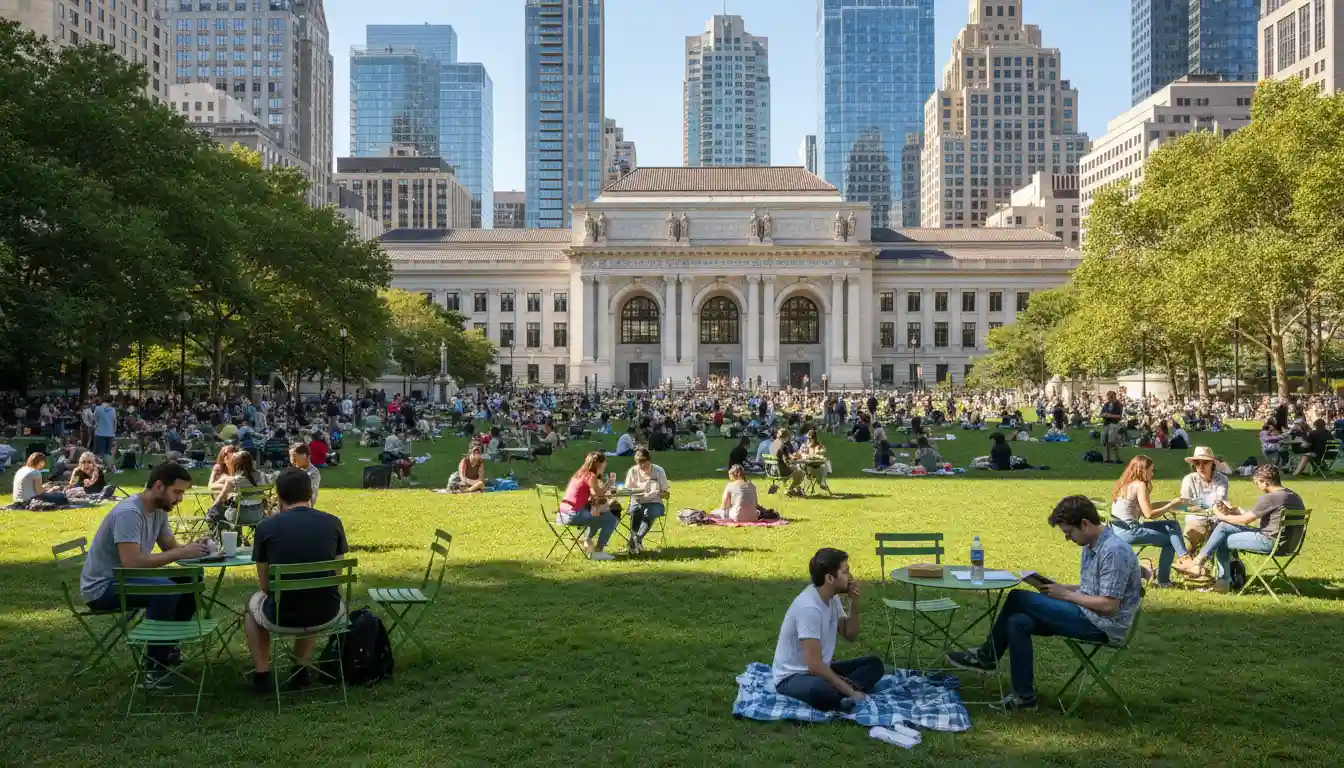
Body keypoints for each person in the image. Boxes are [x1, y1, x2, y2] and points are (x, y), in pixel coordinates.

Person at [947, 496, 1142, 711]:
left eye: (1069, 532)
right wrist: (1059, 588)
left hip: (1102, 625)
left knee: (1018, 598)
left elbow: (1109, 606)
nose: (1068, 538)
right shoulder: (1092, 545)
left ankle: (987, 656)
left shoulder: (1113, 551)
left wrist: (1064, 596)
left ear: (1085, 524)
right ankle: (1024, 699)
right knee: (1017, 621)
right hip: (1086, 613)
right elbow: (1092, 589)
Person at [80, 462, 208, 689]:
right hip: (103, 587)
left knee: (192, 579)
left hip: (125, 579)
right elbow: (132, 563)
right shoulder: (129, 513)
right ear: (159, 486)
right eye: (177, 492)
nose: (179, 499)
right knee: (165, 590)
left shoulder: (158, 510)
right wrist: (181, 552)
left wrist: (199, 550)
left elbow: (171, 547)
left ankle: (169, 648)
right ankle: (154, 668)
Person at [243, 467, 348, 693]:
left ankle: (262, 674)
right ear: (310, 493)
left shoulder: (266, 527)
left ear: (279, 497)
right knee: (313, 590)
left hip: (282, 614)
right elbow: (336, 576)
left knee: (251, 607)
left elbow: (265, 586)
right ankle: (301, 670)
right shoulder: (333, 522)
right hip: (328, 611)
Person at [770, 548, 883, 711]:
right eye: (845, 572)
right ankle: (845, 692)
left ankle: (840, 690)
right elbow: (814, 665)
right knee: (822, 691)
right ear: (830, 578)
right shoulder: (809, 608)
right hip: (793, 678)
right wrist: (851, 691)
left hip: (821, 669)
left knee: (874, 665)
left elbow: (849, 635)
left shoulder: (832, 597)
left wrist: (854, 603)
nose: (850, 577)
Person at [1175, 464, 1305, 592]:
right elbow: (1264, 519)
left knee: (1221, 538)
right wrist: (1238, 511)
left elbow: (1245, 521)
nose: (1258, 487)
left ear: (1264, 482)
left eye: (1257, 483)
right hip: (1289, 544)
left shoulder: (1270, 498)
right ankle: (1199, 563)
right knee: (1223, 528)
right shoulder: (1293, 496)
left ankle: (1219, 580)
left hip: (1270, 542)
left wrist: (1220, 515)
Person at [1110, 456, 1190, 586]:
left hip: (1119, 529)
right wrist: (1169, 506)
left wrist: (1170, 503)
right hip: (1131, 531)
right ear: (1143, 470)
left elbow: (1144, 508)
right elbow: (1149, 514)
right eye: (1151, 470)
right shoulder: (1140, 485)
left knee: (1172, 525)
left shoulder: (1125, 485)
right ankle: (1167, 577)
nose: (1152, 474)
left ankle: (1184, 558)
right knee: (1171, 540)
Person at [557, 451, 620, 560]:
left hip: (562, 514)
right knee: (610, 519)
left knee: (597, 515)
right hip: (574, 515)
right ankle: (598, 551)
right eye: (604, 464)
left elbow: (592, 494)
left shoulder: (579, 474)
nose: (605, 467)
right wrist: (610, 483)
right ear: (600, 464)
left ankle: (588, 541)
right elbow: (600, 493)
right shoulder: (591, 476)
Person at [624, 448, 670, 554]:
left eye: (643, 461)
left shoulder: (658, 471)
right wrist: (636, 492)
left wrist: (657, 492)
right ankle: (635, 542)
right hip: (637, 501)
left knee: (648, 512)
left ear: (649, 460)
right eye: (638, 462)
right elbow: (627, 490)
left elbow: (666, 494)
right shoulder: (633, 471)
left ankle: (636, 539)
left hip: (655, 502)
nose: (641, 464)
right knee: (637, 510)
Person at [770, 428, 806, 497]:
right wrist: (799, 458)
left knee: (797, 468)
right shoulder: (783, 445)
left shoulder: (774, 444)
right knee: (801, 472)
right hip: (782, 470)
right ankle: (790, 489)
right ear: (786, 437)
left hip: (773, 469)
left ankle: (798, 490)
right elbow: (789, 459)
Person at [1099, 391, 1124, 464]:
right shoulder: (1106, 404)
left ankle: (1116, 459)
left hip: (1114, 424)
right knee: (1104, 441)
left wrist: (1109, 415)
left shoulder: (1118, 405)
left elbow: (1119, 416)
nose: (1109, 398)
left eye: (1110, 397)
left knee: (1112, 441)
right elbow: (1101, 414)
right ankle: (1107, 458)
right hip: (1106, 424)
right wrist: (1104, 415)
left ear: (1114, 396)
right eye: (1108, 397)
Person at [92, 397, 117, 465]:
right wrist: (114, 432)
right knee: (107, 452)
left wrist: (95, 426)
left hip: (100, 433)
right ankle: (107, 466)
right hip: (110, 433)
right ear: (111, 402)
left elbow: (94, 419)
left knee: (98, 453)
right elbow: (115, 422)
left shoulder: (98, 408)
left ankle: (98, 466)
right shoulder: (113, 410)